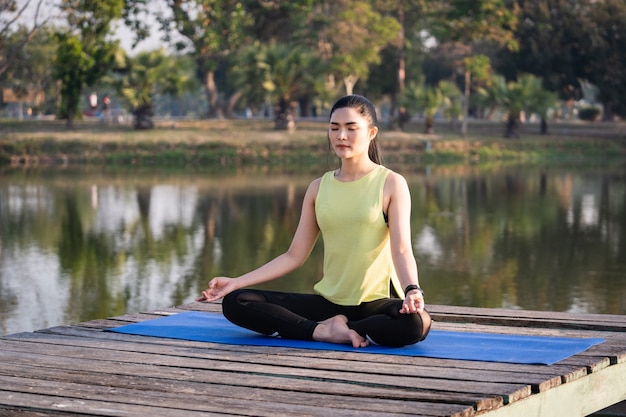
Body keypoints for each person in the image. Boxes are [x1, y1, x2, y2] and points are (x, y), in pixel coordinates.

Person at [197, 94, 431, 348]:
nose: (341, 136)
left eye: (351, 128)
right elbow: (294, 256)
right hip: (328, 303)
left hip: (375, 303)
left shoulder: (391, 183)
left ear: (371, 132)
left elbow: (402, 249)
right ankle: (322, 331)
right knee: (237, 301)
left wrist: (412, 290)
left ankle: (340, 329)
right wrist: (236, 281)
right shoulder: (319, 188)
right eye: (334, 128)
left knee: (416, 323)